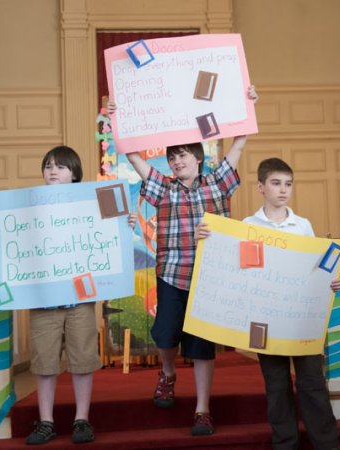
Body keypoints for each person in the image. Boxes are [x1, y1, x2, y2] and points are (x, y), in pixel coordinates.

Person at [119, 85, 258, 436]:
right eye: (172, 157)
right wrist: (116, 119)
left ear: (198, 157)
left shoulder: (218, 184)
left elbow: (239, 143)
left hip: (208, 277)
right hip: (170, 274)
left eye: (183, 155)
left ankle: (202, 410)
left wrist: (246, 104)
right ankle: (167, 374)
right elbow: (134, 157)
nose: (177, 161)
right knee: (165, 336)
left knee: (201, 346)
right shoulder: (163, 188)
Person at [0, 145, 137, 445]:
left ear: (75, 174)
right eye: (48, 165)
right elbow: (11, 243)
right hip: (43, 302)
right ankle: (46, 421)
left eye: (61, 166)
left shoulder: (94, 202)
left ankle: (82, 419)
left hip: (80, 302)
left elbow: (110, 239)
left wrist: (124, 224)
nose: (52, 170)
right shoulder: (26, 206)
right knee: (44, 363)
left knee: (82, 360)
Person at [196, 157, 340, 450]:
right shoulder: (247, 226)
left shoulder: (302, 226)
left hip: (301, 320)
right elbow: (231, 266)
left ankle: (327, 445)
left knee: (312, 385)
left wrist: (333, 282)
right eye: (276, 183)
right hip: (265, 320)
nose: (283, 190)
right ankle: (285, 444)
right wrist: (205, 238)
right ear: (260, 187)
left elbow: (317, 269)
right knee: (276, 387)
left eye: (288, 184)